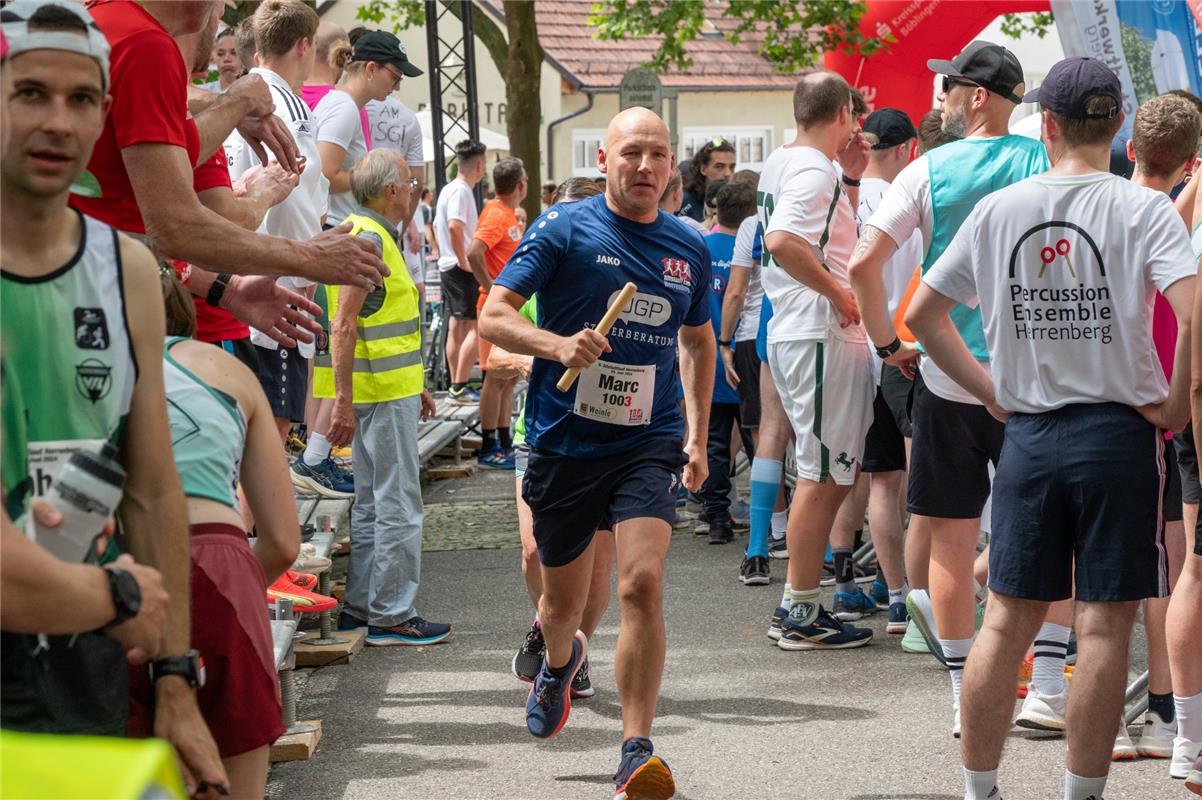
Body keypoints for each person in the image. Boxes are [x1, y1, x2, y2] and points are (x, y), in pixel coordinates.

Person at [906, 56, 1197, 800]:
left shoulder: (1002, 208)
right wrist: (1173, 402)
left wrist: (988, 392)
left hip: (1031, 433)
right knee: (1103, 627)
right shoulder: (1145, 210)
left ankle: (980, 791)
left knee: (1005, 621)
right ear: (1118, 129)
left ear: (1049, 125)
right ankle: (1081, 796)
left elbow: (922, 317)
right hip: (1120, 437)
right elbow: (1196, 308)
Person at [0, 2, 227, 793]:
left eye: (83, 98)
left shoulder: (125, 269)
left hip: (83, 652)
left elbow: (154, 483)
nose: (58, 121)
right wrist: (119, 592)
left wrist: (175, 677)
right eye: (30, 93)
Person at [480, 107, 714, 799]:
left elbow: (698, 342)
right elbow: (493, 315)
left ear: (673, 167)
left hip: (648, 439)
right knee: (560, 605)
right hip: (564, 440)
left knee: (641, 583)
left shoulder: (689, 247)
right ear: (606, 159)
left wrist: (697, 434)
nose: (645, 167)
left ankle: (635, 749)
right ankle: (558, 663)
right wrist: (557, 346)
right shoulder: (564, 228)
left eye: (659, 155)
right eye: (632, 153)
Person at [847, 41, 1053, 733]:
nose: (937, 100)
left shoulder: (927, 170)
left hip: (949, 371)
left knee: (952, 542)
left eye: (948, 88)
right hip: (1036, 379)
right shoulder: (1043, 158)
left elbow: (863, 266)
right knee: (1054, 532)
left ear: (977, 97)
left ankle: (967, 693)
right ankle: (1048, 683)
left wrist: (887, 345)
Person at [72, 0, 386, 344]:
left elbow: (172, 157)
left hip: (94, 292)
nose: (221, 17)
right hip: (103, 305)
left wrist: (228, 290)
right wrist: (307, 255)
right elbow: (174, 226)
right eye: (223, 7)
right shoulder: (145, 44)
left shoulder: (105, 23)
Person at [132, 273, 300, 799]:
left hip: (116, 566)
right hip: (221, 558)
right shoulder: (228, 370)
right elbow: (282, 541)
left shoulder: (70, 369)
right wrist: (240, 585)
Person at [755, 71, 877, 651]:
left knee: (823, 469)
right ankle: (798, 609)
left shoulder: (785, 160)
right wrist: (837, 292)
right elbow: (782, 240)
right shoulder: (810, 168)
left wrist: (849, 174)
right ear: (844, 114)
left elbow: (818, 232)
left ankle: (800, 605)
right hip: (818, 328)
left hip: (801, 328)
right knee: (823, 472)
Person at [315, 149, 448, 646]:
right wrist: (344, 401)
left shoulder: (356, 230)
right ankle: (392, 615)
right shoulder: (371, 239)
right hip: (377, 393)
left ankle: (363, 608)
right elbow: (344, 322)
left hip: (384, 389)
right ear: (391, 191)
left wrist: (416, 386)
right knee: (396, 501)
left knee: (373, 501)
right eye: (411, 185)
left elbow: (366, 325)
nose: (414, 192)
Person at [1112, 93, 1201, 766]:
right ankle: (1167, 721)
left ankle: (1161, 715)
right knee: (1169, 571)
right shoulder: (1164, 219)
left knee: (1141, 573)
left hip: (1118, 405)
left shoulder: (1107, 209)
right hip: (1161, 410)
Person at [509, 176, 612, 702]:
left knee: (595, 565)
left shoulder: (614, 277)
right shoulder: (537, 276)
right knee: (535, 552)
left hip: (607, 439)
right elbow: (495, 349)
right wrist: (539, 355)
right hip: (541, 431)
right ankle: (550, 622)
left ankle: (574, 651)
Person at [848, 107, 920, 634]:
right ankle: (922, 597)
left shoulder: (845, 196)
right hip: (906, 352)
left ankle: (896, 596)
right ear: (906, 149)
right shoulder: (909, 198)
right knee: (919, 484)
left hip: (858, 349)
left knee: (879, 482)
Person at [314, 29, 420, 228]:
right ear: (371, 69)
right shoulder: (344, 108)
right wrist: (376, 179)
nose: (397, 87)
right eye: (395, 77)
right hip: (337, 224)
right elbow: (326, 174)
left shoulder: (342, 104)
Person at [700, 180, 758, 547]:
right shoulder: (753, 247)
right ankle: (771, 520)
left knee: (715, 444)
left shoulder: (701, 248)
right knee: (759, 442)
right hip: (745, 355)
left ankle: (716, 517)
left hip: (708, 358)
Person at [469, 157, 528, 469]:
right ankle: (488, 444)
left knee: (506, 379)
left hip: (507, 307)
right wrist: (490, 287)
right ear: (520, 185)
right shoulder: (495, 213)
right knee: (494, 377)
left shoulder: (505, 214)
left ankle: (504, 440)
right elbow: (473, 251)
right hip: (493, 306)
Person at [436, 139, 488, 403]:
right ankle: (458, 384)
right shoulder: (461, 191)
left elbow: (439, 227)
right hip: (458, 266)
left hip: (450, 265)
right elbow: (455, 226)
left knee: (458, 324)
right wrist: (463, 260)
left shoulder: (448, 189)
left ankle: (455, 384)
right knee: (473, 325)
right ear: (479, 166)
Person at [679, 136, 735, 222]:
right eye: (719, 167)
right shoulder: (684, 201)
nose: (728, 173)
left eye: (732, 167)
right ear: (703, 169)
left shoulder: (737, 203)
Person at [198, 26, 241, 93]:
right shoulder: (201, 93)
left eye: (234, 53)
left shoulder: (257, 96)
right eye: (221, 54)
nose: (226, 59)